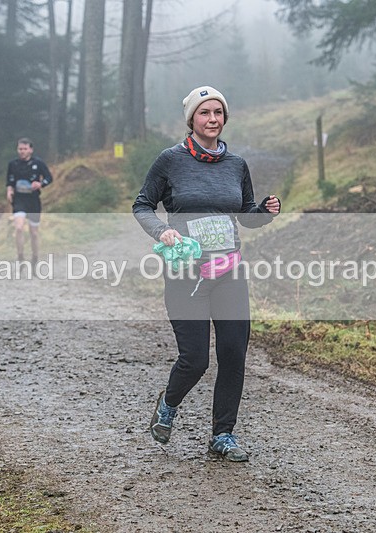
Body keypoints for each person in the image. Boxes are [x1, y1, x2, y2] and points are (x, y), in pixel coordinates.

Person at [133, 86, 281, 462]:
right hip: (186, 275)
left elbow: (246, 215)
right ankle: (168, 404)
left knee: (233, 353)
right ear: (192, 120)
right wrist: (161, 230)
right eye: (205, 113)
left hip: (229, 273)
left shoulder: (237, 165)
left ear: (224, 118)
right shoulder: (170, 161)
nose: (212, 119)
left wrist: (263, 212)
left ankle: (223, 434)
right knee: (195, 359)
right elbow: (143, 205)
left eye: (218, 112)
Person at [5, 137, 53, 267]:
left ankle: (35, 258)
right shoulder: (13, 164)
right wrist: (9, 191)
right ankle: (20, 257)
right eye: (20, 149)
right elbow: (9, 182)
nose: (22, 151)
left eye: (25, 149)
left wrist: (41, 184)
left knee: (34, 233)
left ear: (30, 150)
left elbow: (49, 178)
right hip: (19, 200)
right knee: (19, 228)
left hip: (33, 201)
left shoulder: (38, 163)